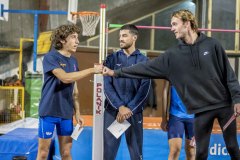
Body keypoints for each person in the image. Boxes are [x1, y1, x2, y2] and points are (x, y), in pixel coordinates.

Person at [103, 9, 240, 159]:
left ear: (187, 24)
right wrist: (115, 73)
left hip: (224, 106)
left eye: (175, 24)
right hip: (200, 111)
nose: (171, 28)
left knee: (233, 147)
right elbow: (145, 68)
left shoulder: (212, 45)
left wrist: (237, 99)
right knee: (200, 153)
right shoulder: (173, 55)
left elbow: (229, 75)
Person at [37, 24, 102, 160]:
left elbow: (75, 90)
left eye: (77, 38)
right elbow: (65, 78)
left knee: (66, 153)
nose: (77, 41)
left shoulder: (73, 60)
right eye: (73, 37)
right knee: (43, 153)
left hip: (66, 113)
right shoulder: (51, 57)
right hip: (49, 111)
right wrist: (91, 70)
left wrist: (77, 113)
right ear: (62, 40)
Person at [103, 24, 151, 160]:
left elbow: (144, 89)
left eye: (124, 35)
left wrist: (129, 108)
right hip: (113, 112)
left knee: (136, 155)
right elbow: (107, 85)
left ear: (134, 37)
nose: (121, 39)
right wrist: (120, 107)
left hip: (134, 113)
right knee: (108, 154)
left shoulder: (144, 61)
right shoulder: (112, 59)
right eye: (120, 36)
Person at [161, 80, 195, 160]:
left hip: (194, 116)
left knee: (191, 151)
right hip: (176, 115)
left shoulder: (199, 68)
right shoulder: (170, 67)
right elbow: (165, 91)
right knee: (175, 150)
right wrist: (164, 118)